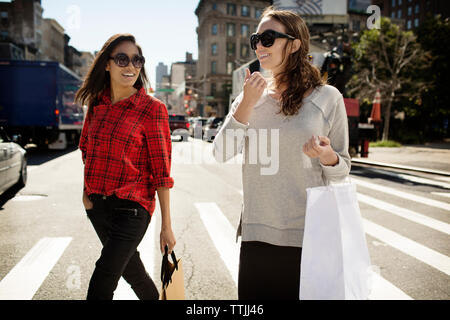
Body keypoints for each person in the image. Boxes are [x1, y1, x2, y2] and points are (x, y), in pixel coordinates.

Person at [213, 7, 351, 299]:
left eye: (268, 38)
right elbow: (221, 153)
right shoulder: (249, 97)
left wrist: (327, 157)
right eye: (256, 40)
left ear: (295, 44)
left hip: (307, 236)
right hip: (256, 235)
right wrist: (246, 104)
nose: (259, 46)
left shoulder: (327, 98)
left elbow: (343, 169)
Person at [75, 34, 176, 300]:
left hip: (132, 209)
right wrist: (87, 196)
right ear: (107, 64)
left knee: (102, 282)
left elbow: (161, 171)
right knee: (134, 274)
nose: (130, 66)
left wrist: (166, 225)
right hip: (97, 206)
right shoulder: (96, 103)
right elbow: (86, 148)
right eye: (122, 59)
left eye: (137, 60)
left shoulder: (152, 109)